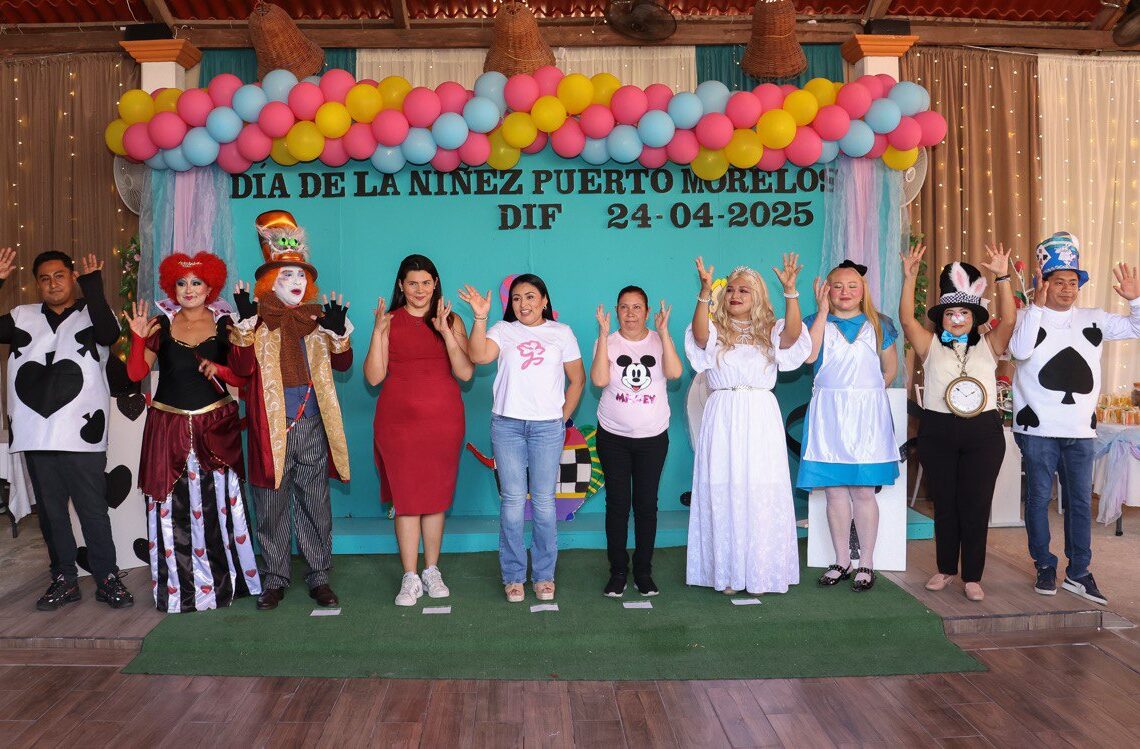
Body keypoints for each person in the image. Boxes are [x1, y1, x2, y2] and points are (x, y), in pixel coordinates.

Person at [229, 210, 353, 611]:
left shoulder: (318, 318)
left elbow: (344, 365)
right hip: (270, 426)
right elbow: (241, 370)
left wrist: (338, 335)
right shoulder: (253, 320)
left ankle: (319, 576)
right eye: (287, 275)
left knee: (316, 501)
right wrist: (242, 331)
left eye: (301, 275)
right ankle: (275, 578)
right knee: (270, 502)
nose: (296, 281)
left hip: (312, 421)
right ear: (269, 281)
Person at [123, 252, 261, 613]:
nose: (189, 289)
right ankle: (179, 589)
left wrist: (219, 367)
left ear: (210, 286)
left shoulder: (227, 324)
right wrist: (137, 338)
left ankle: (227, 583)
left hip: (216, 428)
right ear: (172, 287)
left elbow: (243, 375)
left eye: (196, 282)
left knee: (219, 505)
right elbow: (136, 374)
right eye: (181, 283)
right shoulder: (159, 324)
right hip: (167, 428)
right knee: (172, 507)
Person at [1009, 232, 1140, 606]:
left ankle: (1079, 572)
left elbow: (1136, 327)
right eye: (1059, 282)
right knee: (1037, 500)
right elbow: (1019, 351)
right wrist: (1035, 306)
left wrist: (1135, 300)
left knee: (1080, 502)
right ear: (1044, 283)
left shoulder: (1093, 318)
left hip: (1080, 430)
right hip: (1036, 429)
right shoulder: (1028, 317)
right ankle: (1044, 564)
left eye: (1072, 282)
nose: (1067, 290)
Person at [0, 247, 133, 610]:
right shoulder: (22, 316)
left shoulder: (94, 313)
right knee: (52, 513)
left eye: (60, 275)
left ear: (73, 277)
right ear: (37, 284)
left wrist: (94, 286)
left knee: (92, 509)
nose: (52, 284)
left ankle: (107, 578)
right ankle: (64, 579)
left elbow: (109, 335)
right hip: (37, 433)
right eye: (44, 278)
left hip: (82, 432)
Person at [684, 254, 810, 595]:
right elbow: (699, 336)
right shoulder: (714, 328)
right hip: (722, 413)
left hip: (759, 415)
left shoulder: (771, 329)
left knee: (759, 489)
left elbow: (793, 336)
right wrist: (705, 293)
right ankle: (727, 573)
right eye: (731, 290)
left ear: (757, 296)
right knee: (724, 488)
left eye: (744, 290)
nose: (735, 295)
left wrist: (791, 292)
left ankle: (759, 573)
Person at [460, 274, 585, 603]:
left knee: (544, 503)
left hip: (547, 428)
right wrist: (480, 317)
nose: (523, 304)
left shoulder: (562, 333)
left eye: (530, 297)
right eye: (516, 298)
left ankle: (544, 575)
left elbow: (577, 380)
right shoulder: (503, 330)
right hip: (507, 426)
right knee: (513, 502)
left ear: (544, 301)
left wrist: (560, 419)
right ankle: (514, 575)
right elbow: (478, 356)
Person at [900, 244, 1014, 603]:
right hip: (938, 431)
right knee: (945, 504)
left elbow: (1010, 320)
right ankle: (946, 568)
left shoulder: (989, 345)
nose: (957, 318)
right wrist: (909, 278)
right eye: (951, 313)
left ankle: (973, 576)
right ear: (942, 318)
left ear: (975, 316)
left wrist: (1003, 277)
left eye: (965, 312)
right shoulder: (930, 344)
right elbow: (907, 321)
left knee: (975, 505)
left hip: (983, 432)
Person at [365, 254, 472, 606]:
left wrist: (446, 333)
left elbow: (466, 372)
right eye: (412, 283)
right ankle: (410, 576)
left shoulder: (451, 319)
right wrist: (378, 333)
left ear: (435, 284)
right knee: (408, 501)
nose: (420, 290)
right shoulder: (388, 321)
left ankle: (431, 570)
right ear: (401, 285)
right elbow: (374, 377)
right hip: (398, 425)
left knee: (435, 498)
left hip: (443, 423)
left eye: (426, 283)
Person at [798, 260, 900, 592]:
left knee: (864, 491)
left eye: (852, 286)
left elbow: (889, 369)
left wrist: (864, 398)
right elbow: (809, 356)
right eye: (837, 286)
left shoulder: (880, 324)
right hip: (829, 415)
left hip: (867, 418)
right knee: (835, 492)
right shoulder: (813, 322)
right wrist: (821, 312)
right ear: (826, 290)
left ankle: (866, 562)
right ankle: (842, 560)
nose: (845, 292)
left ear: (863, 289)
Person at [591, 287, 682, 597]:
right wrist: (603, 336)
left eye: (637, 307)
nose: (630, 313)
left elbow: (675, 372)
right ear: (616, 311)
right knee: (617, 505)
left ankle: (643, 571)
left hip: (652, 439)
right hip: (612, 437)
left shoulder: (659, 340)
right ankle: (618, 571)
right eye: (624, 307)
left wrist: (664, 333)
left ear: (647, 311)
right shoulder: (607, 341)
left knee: (646, 506)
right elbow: (599, 380)